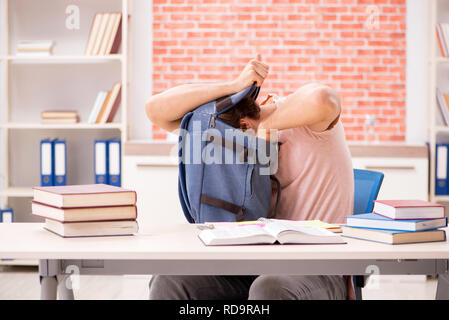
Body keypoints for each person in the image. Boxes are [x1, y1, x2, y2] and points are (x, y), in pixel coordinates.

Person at [145, 55, 354, 300]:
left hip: (315, 266)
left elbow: (324, 99)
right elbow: (155, 110)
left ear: (244, 125)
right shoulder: (225, 132)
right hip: (254, 267)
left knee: (269, 289)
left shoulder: (306, 123)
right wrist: (233, 87)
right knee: (169, 281)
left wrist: (266, 129)